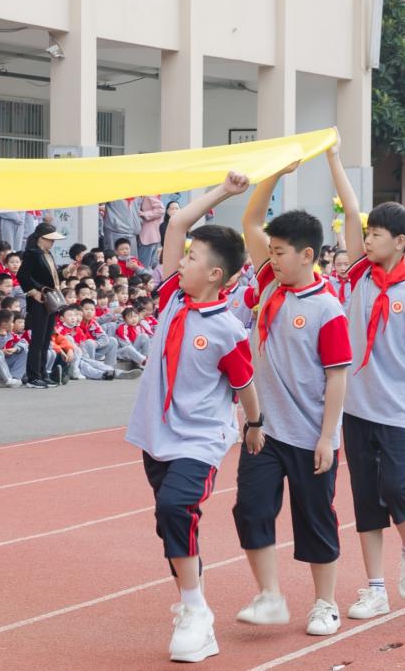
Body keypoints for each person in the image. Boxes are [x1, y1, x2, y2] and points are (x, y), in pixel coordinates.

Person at [125, 171, 260, 663]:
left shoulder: (226, 329)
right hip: (154, 435)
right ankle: (191, 605)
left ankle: (196, 609)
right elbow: (179, 219)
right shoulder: (170, 299)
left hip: (199, 440)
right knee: (170, 525)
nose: (180, 261)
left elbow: (244, 383)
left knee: (176, 509)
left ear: (216, 275)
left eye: (192, 259)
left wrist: (254, 425)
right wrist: (225, 191)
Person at [326, 140, 405, 624]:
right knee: (364, 500)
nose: (368, 239)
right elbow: (351, 208)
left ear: (400, 242)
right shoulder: (359, 274)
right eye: (368, 233)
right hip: (357, 410)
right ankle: (374, 587)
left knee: (397, 488)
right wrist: (335, 159)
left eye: (377, 234)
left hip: (400, 409)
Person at [234, 160, 352, 636]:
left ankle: (325, 603)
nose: (273, 257)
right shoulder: (268, 284)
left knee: (315, 519)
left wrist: (327, 437)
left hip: (311, 436)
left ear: (307, 255)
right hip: (266, 430)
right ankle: (269, 595)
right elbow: (250, 222)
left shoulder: (328, 308)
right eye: (272, 251)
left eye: (280, 252)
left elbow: (338, 377)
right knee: (251, 509)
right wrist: (271, 177)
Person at [17, 222, 66, 389]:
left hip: (50, 298)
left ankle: (43, 373)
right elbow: (22, 275)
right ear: (40, 238)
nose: (52, 243)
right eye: (49, 239)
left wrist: (65, 273)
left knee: (46, 339)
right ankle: (33, 376)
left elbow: (50, 276)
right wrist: (33, 291)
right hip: (38, 300)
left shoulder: (47, 253)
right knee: (37, 340)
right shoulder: (32, 253)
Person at [137, 195, 165, 269]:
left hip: (148, 236)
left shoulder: (149, 194)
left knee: (143, 265)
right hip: (148, 236)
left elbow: (161, 210)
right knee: (147, 265)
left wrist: (144, 214)